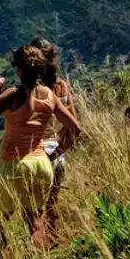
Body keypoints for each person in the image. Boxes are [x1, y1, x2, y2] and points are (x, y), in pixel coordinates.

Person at [0, 42, 82, 259]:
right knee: (34, 221)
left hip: (14, 164)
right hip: (41, 162)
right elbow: (75, 128)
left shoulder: (13, 94)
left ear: (20, 69)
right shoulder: (50, 94)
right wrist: (56, 155)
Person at [29, 37, 76, 244]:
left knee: (34, 210)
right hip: (58, 155)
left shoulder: (33, 90)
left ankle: (40, 256)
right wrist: (58, 152)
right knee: (52, 203)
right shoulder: (62, 87)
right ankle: (55, 244)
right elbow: (74, 127)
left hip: (38, 154)